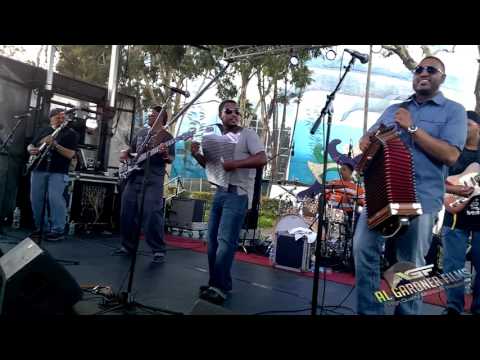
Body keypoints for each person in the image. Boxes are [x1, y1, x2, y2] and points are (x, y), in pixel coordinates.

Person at [353, 56, 467, 315]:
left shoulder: (454, 110)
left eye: (431, 69)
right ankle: (370, 312)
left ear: (442, 78)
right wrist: (365, 140)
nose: (423, 73)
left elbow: (450, 155)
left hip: (423, 197)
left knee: (410, 266)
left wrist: (413, 128)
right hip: (381, 196)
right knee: (362, 248)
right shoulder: (394, 108)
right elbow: (367, 139)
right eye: (419, 69)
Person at [190, 99, 267, 305]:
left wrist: (236, 164)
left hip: (237, 194)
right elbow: (212, 166)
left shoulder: (248, 134)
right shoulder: (215, 137)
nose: (234, 114)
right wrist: (196, 154)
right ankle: (219, 282)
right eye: (229, 111)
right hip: (219, 192)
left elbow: (262, 158)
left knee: (225, 242)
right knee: (212, 242)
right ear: (220, 114)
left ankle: (219, 287)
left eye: (237, 112)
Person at [113, 105, 175, 264]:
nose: (149, 116)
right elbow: (131, 151)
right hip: (134, 176)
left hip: (153, 179)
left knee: (152, 213)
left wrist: (165, 153)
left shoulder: (167, 137)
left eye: (153, 115)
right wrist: (125, 154)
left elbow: (170, 159)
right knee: (127, 211)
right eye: (149, 114)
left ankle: (158, 250)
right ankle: (128, 246)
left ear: (161, 118)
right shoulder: (141, 133)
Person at [441, 110, 480, 315]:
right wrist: (449, 193)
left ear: (478, 127)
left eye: (469, 124)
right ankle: (453, 307)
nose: (464, 127)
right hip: (455, 218)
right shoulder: (452, 151)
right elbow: (437, 180)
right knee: (452, 266)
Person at [27, 108, 79, 242]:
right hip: (39, 168)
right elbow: (32, 144)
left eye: (62, 117)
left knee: (55, 199)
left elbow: (70, 154)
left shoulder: (70, 133)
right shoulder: (43, 130)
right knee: (36, 199)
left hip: (58, 170)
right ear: (51, 118)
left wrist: (55, 145)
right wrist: (30, 149)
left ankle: (58, 230)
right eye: (57, 117)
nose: (61, 120)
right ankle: (41, 228)